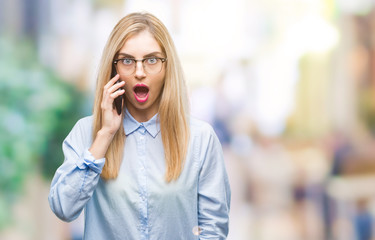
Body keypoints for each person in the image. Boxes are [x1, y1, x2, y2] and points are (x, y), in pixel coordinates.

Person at [48, 12, 231, 240]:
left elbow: (213, 228)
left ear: (167, 67)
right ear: (113, 69)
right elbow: (63, 208)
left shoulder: (201, 139)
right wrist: (104, 135)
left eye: (152, 60)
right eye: (127, 60)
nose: (140, 72)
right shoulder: (87, 133)